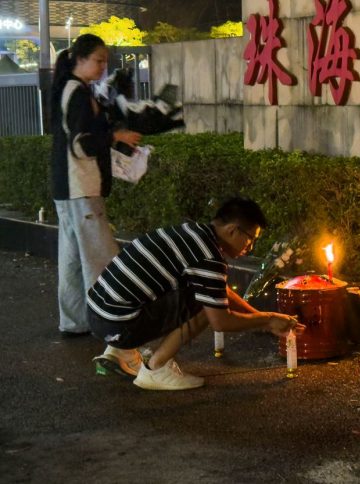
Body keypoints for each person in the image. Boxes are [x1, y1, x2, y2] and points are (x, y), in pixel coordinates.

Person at [86, 197, 304, 391]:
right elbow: (220, 321)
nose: (250, 248)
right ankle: (156, 368)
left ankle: (118, 351)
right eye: (251, 239)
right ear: (232, 230)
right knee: (203, 304)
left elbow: (220, 290)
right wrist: (267, 320)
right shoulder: (209, 256)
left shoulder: (193, 233)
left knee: (205, 294)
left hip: (99, 314)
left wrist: (261, 318)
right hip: (118, 324)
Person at [51, 33, 142, 336]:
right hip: (82, 186)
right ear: (80, 59)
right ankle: (113, 326)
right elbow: (82, 144)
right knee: (101, 258)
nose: (104, 67)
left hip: (67, 188)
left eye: (106, 61)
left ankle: (74, 322)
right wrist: (116, 136)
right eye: (99, 60)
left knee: (73, 259)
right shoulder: (77, 93)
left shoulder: (69, 88)